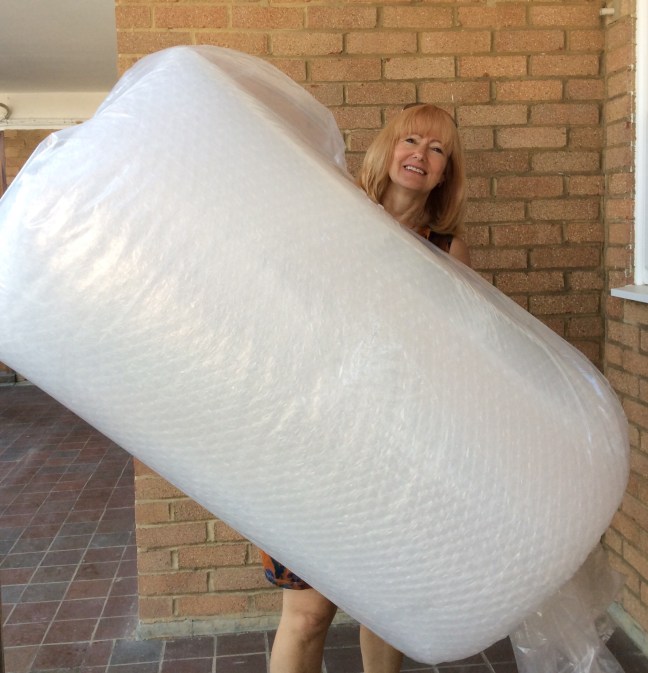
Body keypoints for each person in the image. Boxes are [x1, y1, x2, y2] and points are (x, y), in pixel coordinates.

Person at [262, 103, 471, 673]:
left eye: (437, 150)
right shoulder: (334, 213)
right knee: (308, 614)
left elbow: (460, 357)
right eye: (411, 140)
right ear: (388, 148)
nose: (421, 155)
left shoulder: (447, 249)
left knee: (386, 609)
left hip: (399, 448)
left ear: (445, 173)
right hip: (315, 438)